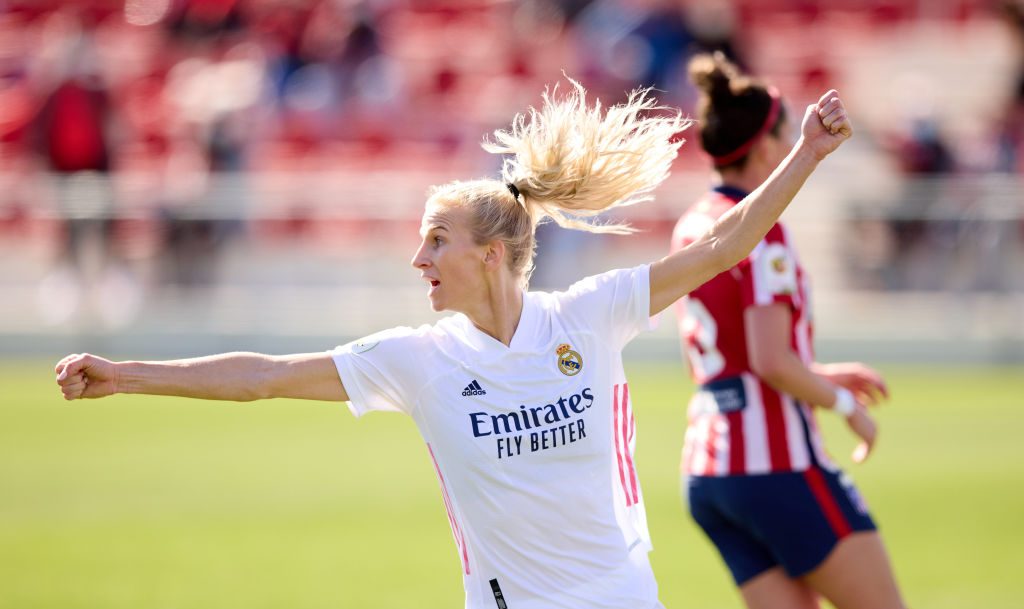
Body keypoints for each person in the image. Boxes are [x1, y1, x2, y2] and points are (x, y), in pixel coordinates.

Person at [56, 76, 852, 609]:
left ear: (491, 252)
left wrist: (807, 153)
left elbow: (721, 248)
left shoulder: (590, 313)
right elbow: (263, 375)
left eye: (436, 240)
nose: (419, 259)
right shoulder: (419, 359)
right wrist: (123, 373)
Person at [671, 53, 905, 609]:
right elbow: (771, 361)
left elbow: (723, 361)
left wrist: (818, 373)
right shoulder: (761, 233)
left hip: (709, 471)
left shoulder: (690, 226)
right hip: (776, 465)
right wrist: (845, 407)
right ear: (770, 145)